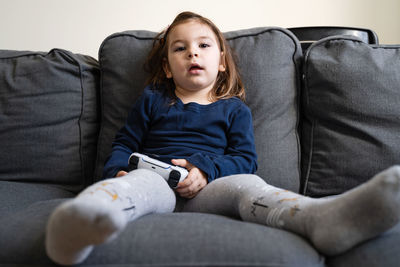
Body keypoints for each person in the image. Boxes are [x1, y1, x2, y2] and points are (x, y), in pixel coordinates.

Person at [46, 11, 400, 266]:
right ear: (169, 67)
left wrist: (204, 169)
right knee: (131, 185)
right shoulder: (153, 98)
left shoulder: (234, 110)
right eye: (180, 49)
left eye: (203, 46)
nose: (192, 53)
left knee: (251, 186)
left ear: (221, 63)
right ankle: (83, 219)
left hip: (210, 189)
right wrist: (118, 170)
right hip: (155, 182)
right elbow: (124, 142)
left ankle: (317, 218)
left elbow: (245, 158)